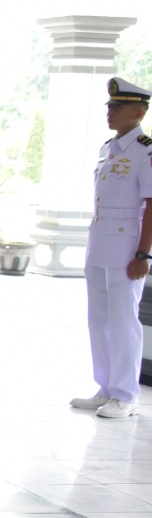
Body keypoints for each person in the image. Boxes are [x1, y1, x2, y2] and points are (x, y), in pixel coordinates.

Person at [72, 76, 152, 418]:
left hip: (126, 248)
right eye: (110, 106)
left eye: (119, 107)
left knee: (122, 321)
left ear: (139, 112)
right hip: (99, 242)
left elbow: (151, 205)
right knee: (98, 319)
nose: (111, 112)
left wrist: (143, 254)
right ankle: (105, 388)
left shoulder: (146, 150)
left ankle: (125, 394)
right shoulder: (108, 148)